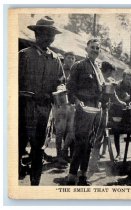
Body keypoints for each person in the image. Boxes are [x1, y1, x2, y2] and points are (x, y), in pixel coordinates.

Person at [19, 16, 65, 185]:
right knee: (18, 145)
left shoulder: (56, 59)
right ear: (37, 34)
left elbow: (61, 82)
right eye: (46, 34)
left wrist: (60, 89)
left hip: (45, 111)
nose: (49, 38)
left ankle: (35, 186)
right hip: (24, 109)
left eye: (52, 35)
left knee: (39, 150)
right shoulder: (24, 56)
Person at [66, 38, 106, 185]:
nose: (95, 50)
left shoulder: (98, 68)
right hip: (83, 108)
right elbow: (70, 88)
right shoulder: (79, 66)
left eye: (97, 48)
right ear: (86, 49)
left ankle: (82, 175)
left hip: (96, 109)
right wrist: (77, 102)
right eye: (92, 47)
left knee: (90, 142)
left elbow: (100, 89)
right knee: (80, 142)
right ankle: (71, 175)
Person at [89, 61, 126, 171]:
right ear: (109, 71)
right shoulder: (99, 79)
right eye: (111, 72)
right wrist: (122, 103)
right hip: (97, 110)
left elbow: (114, 97)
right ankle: (90, 163)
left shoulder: (106, 80)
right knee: (94, 136)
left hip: (98, 110)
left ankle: (92, 163)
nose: (112, 75)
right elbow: (114, 98)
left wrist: (121, 103)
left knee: (97, 137)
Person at [53, 52, 76, 165]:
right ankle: (59, 155)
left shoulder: (76, 71)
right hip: (61, 104)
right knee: (60, 131)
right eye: (69, 58)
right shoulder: (60, 70)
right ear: (64, 59)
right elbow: (56, 84)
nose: (71, 60)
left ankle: (63, 152)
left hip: (72, 105)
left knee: (71, 131)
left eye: (73, 58)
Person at [111, 69, 131, 160]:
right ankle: (118, 153)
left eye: (130, 79)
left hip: (128, 112)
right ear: (123, 78)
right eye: (127, 79)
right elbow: (125, 97)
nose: (129, 81)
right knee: (117, 130)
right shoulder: (118, 85)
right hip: (117, 111)